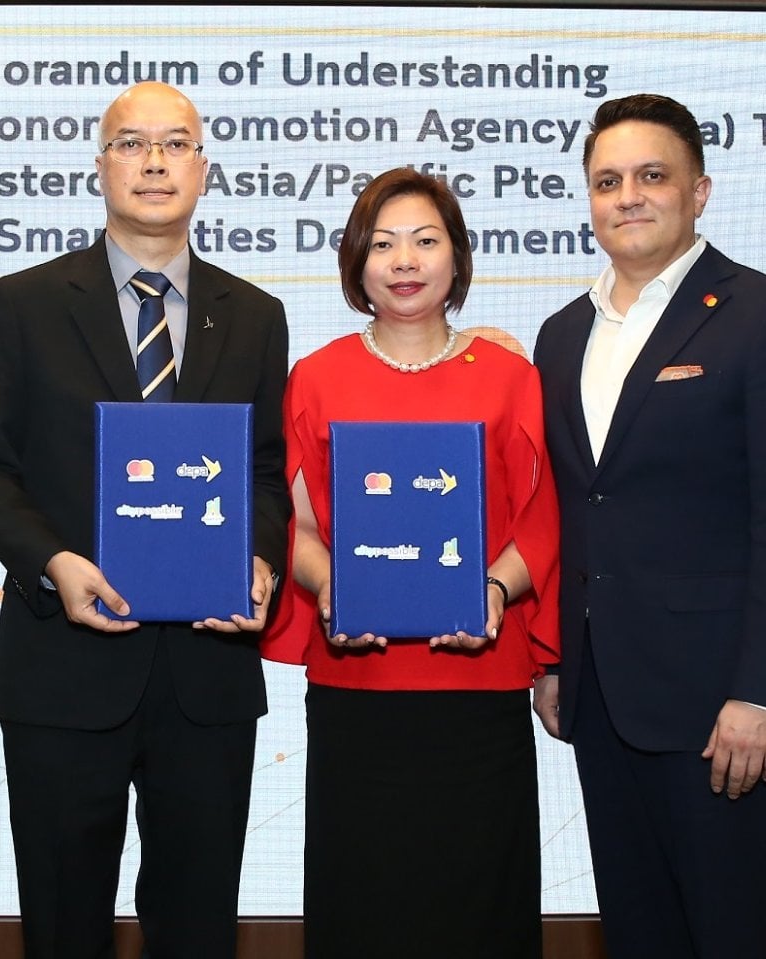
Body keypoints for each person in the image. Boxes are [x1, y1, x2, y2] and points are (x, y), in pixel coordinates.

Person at [0, 82, 289, 959]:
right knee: (64, 926)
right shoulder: (22, 302)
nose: (154, 162)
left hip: (207, 675)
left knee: (199, 927)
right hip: (63, 670)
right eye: (131, 144)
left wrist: (260, 561)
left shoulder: (255, 316)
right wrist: (53, 562)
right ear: (100, 166)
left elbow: (264, 473)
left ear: (204, 169)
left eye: (175, 144)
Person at [530, 94, 766, 959]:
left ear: (698, 191)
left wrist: (764, 692)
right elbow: (570, 510)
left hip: (725, 712)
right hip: (602, 703)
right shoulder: (562, 335)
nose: (628, 196)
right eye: (607, 181)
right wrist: (555, 660)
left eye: (651, 176)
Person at [262, 167, 560, 959]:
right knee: (363, 904)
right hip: (358, 688)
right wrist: (330, 583)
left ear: (456, 256)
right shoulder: (316, 377)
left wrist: (493, 586)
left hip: (479, 687)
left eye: (425, 241)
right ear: (356, 262)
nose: (404, 260)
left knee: (481, 906)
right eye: (383, 243)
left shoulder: (511, 377)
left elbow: (541, 523)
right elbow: (293, 524)